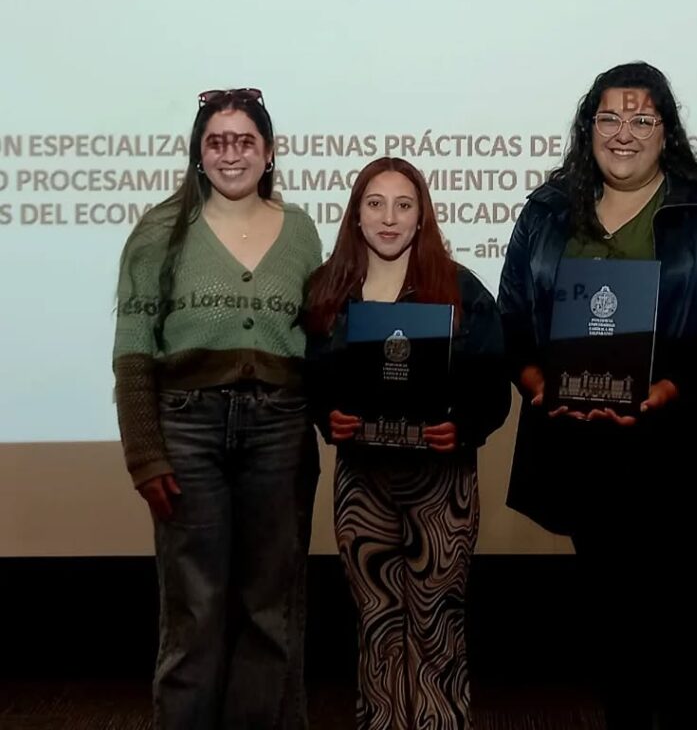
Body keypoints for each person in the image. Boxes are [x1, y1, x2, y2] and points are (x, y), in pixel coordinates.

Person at [498, 61, 697, 730]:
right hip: (578, 449)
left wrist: (673, 386)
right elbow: (511, 319)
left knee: (676, 630)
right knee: (609, 627)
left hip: (677, 454)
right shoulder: (548, 209)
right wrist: (536, 383)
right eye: (610, 117)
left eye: (642, 118)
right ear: (587, 127)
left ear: (666, 131)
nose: (624, 132)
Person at [113, 88, 323, 729]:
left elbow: (319, 337)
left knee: (271, 608)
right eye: (217, 141)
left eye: (245, 141)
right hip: (187, 429)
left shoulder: (302, 230)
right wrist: (144, 453)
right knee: (194, 610)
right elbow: (133, 348)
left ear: (269, 151)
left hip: (281, 428)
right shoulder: (159, 230)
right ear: (198, 153)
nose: (231, 154)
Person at [303, 157, 510, 730]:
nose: (389, 218)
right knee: (375, 622)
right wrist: (328, 417)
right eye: (375, 204)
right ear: (357, 215)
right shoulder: (328, 290)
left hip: (442, 484)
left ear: (422, 217)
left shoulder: (461, 289)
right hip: (362, 485)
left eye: (403, 205)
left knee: (436, 623)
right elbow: (312, 380)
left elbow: (494, 387)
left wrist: (463, 427)